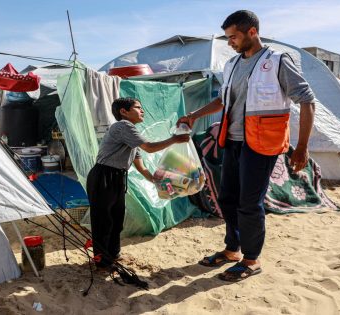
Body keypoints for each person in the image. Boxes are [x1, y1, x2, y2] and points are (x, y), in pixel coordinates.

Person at [177, 10, 316, 281]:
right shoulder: (231, 65)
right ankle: (232, 250)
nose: (230, 42)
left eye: (234, 37)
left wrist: (302, 147)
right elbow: (222, 101)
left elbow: (307, 100)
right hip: (232, 141)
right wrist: (194, 115)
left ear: (252, 32)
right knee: (228, 198)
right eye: (228, 38)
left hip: (262, 144)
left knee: (249, 203)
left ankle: (251, 260)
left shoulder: (277, 61)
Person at [87, 97, 190, 270]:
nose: (142, 111)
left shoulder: (131, 135)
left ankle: (113, 254)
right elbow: (149, 147)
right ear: (124, 112)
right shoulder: (123, 126)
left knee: (117, 219)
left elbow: (140, 166)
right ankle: (102, 261)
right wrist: (173, 140)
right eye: (138, 107)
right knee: (103, 221)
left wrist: (157, 180)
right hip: (104, 176)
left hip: (117, 177)